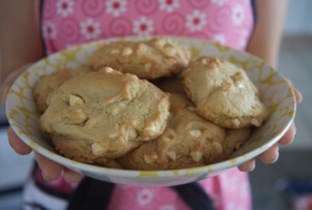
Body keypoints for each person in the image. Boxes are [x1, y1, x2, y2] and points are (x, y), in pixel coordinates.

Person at [0, 0, 302, 209]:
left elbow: (257, 69)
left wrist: (270, 94)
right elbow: (20, 68)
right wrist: (16, 82)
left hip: (215, 181)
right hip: (71, 180)